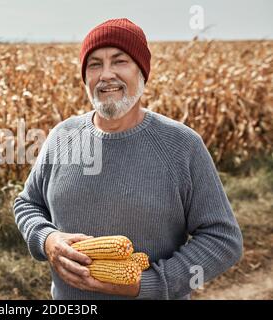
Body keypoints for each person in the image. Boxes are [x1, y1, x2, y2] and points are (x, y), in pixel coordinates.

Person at [13, 18, 243, 299]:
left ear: (142, 72)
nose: (106, 74)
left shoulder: (182, 145)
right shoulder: (63, 136)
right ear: (85, 77)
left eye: (120, 61)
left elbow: (223, 240)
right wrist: (46, 239)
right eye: (95, 64)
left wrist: (148, 285)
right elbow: (27, 203)